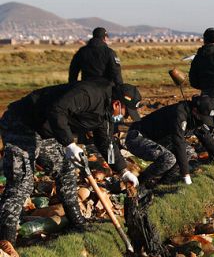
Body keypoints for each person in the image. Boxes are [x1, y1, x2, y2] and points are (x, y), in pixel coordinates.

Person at [0, 81, 141, 246]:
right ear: (117, 104)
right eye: (125, 114)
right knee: (22, 182)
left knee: (66, 171)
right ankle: (7, 239)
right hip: (22, 123)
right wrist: (69, 144)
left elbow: (106, 143)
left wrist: (122, 170)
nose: (124, 118)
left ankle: (77, 223)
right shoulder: (89, 94)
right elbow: (57, 110)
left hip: (46, 130)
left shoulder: (107, 114)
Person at [125, 95, 214, 187]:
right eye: (202, 117)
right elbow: (178, 143)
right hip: (137, 138)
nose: (203, 121)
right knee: (169, 158)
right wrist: (186, 175)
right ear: (195, 110)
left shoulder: (196, 119)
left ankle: (163, 184)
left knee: (189, 152)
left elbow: (209, 141)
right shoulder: (179, 114)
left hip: (158, 139)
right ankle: (141, 183)